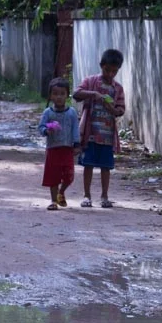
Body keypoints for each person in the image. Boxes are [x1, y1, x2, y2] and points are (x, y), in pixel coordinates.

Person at [75, 49, 125, 208]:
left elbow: (120, 110)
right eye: (107, 70)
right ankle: (87, 195)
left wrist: (113, 110)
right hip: (90, 133)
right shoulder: (90, 81)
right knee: (88, 164)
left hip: (107, 135)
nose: (110, 74)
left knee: (106, 167)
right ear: (101, 66)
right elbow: (76, 93)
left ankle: (104, 196)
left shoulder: (118, 89)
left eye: (114, 71)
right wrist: (94, 95)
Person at [38, 79, 79, 209]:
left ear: (67, 95)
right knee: (53, 176)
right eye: (55, 94)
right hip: (53, 149)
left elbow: (75, 129)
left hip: (67, 149)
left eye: (62, 93)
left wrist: (77, 144)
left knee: (69, 176)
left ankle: (61, 192)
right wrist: (46, 130)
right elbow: (41, 127)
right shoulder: (48, 113)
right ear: (50, 96)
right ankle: (53, 201)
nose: (59, 97)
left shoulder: (71, 112)